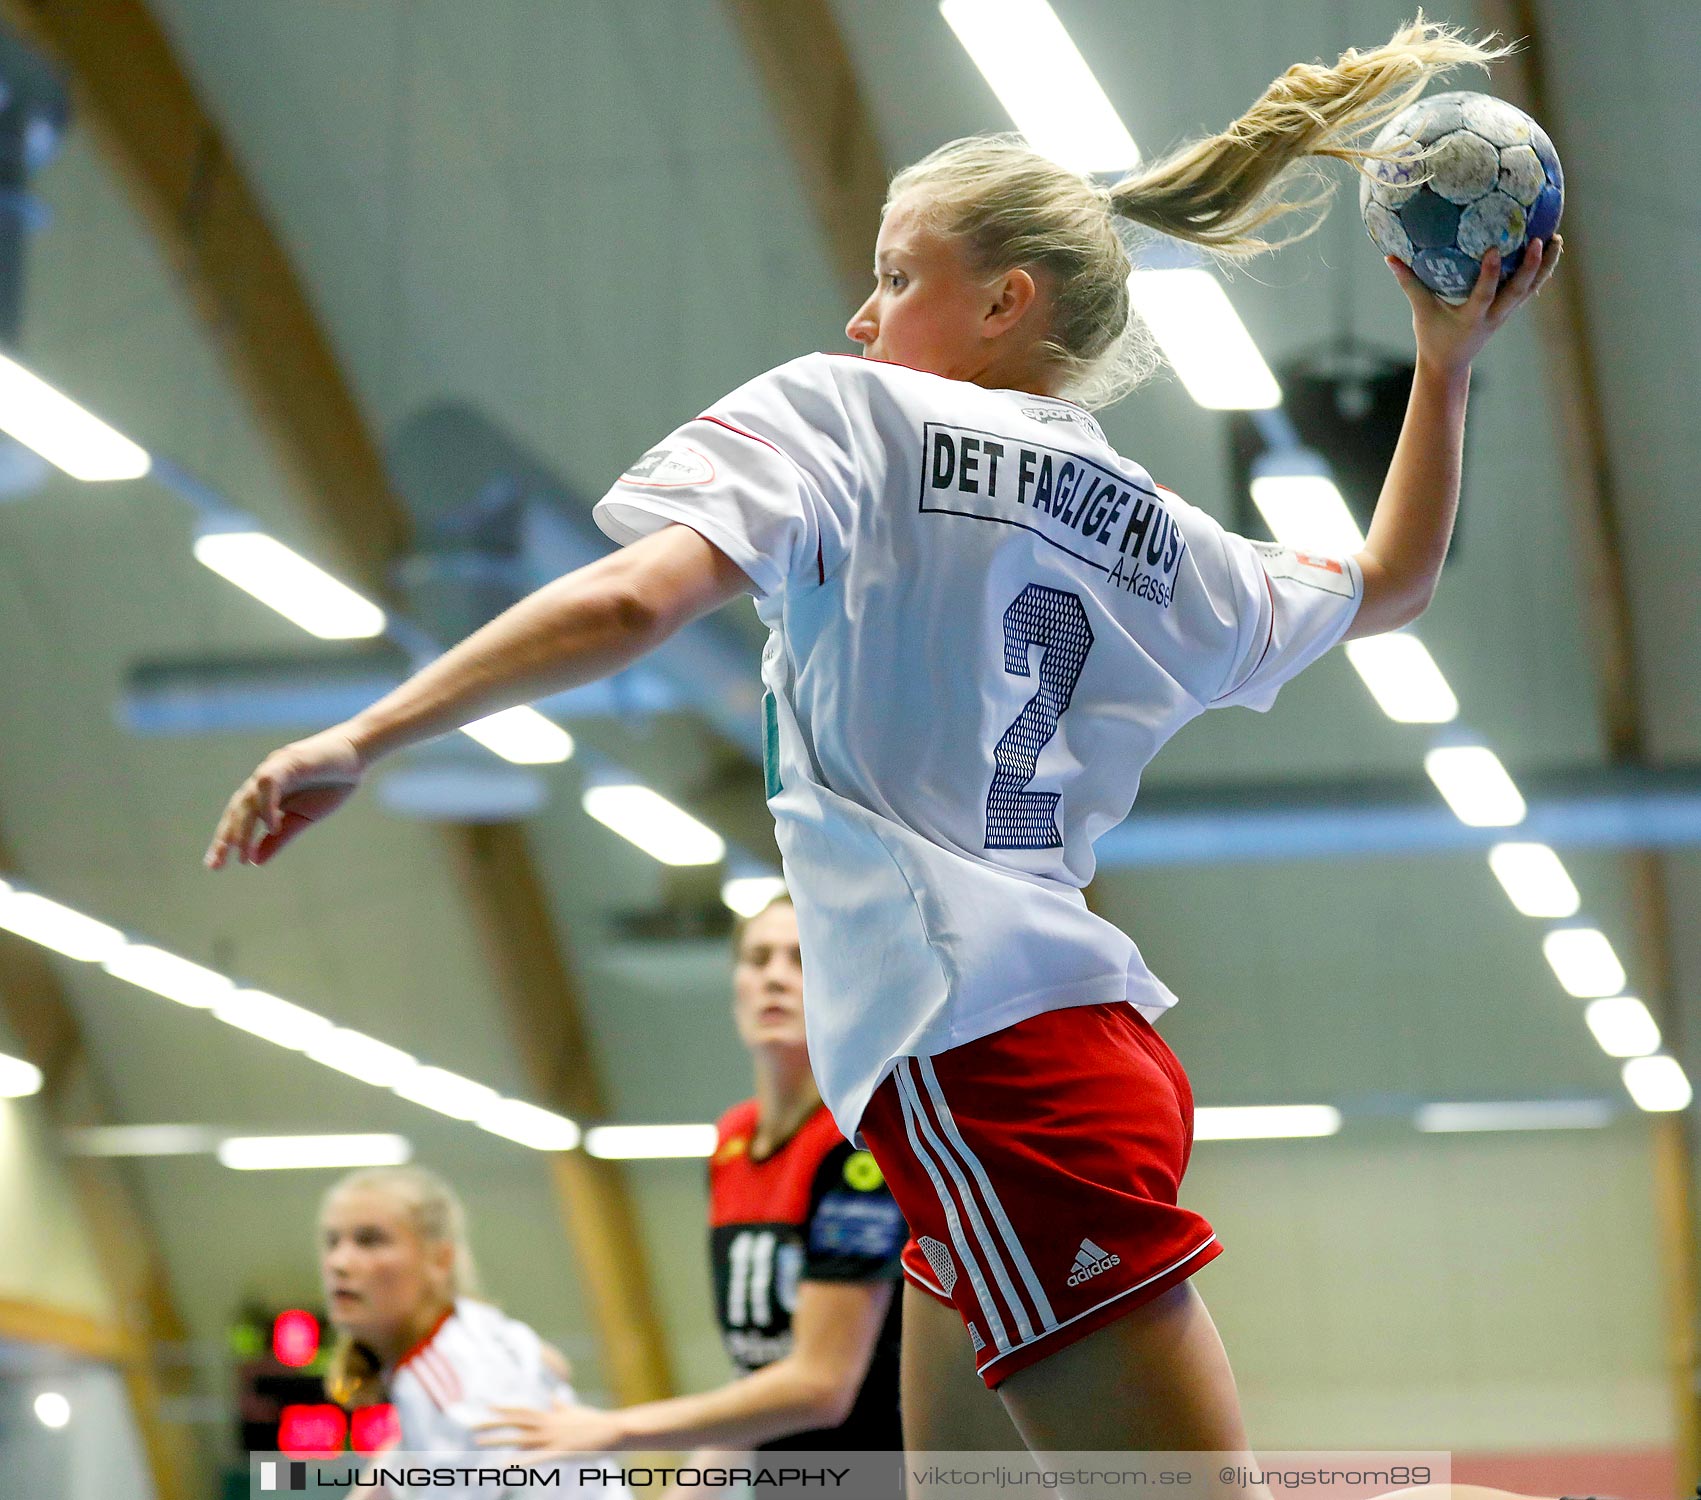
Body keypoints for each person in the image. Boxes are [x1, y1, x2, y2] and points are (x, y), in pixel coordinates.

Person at [209, 17, 1564, 1488]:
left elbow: (626, 599)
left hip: (982, 1058)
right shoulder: (1148, 520)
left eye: (896, 275)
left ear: (1007, 300)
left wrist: (363, 732)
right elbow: (1394, 583)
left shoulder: (847, 413)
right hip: (1058, 1049)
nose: (862, 316)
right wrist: (1445, 359)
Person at [469, 892, 964, 1464]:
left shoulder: (856, 1143)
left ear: (841, 987)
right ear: (735, 987)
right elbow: (757, 1381)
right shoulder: (731, 1142)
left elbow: (819, 1386)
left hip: (883, 1472)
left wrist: (617, 1428)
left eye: (801, 960)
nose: (775, 977)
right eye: (758, 959)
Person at [317, 1164, 619, 1496]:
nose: (339, 1262)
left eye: (370, 1241)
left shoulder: (452, 1383)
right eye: (332, 1242)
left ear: (440, 1260)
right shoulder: (462, 1339)